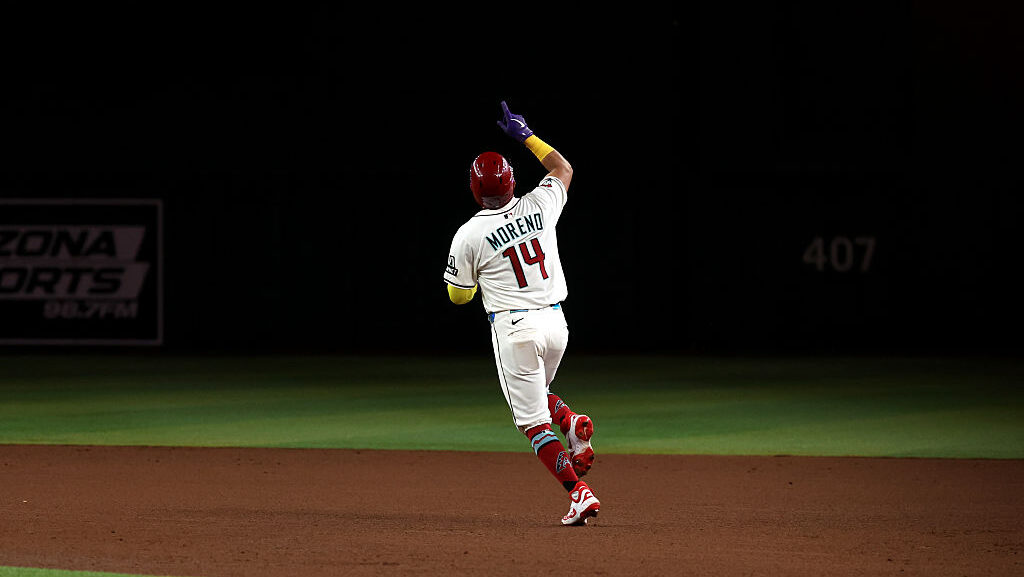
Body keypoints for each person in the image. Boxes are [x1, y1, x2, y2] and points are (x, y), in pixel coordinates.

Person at [443, 101, 600, 526]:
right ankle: (571, 423)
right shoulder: (539, 206)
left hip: (515, 328)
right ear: (513, 182)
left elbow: (458, 297)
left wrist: (480, 276)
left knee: (531, 424)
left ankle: (579, 494)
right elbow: (563, 169)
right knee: (541, 396)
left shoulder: (470, 233)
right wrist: (526, 134)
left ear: (474, 191)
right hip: (556, 323)